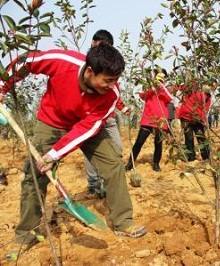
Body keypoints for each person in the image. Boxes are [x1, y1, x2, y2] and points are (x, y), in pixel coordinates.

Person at [0, 43, 147, 255]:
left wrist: (54, 154)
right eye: (107, 80)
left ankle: (123, 222)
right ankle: (26, 234)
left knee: (114, 165)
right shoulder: (63, 61)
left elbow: (87, 129)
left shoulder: (111, 94)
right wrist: (3, 86)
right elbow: (28, 61)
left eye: (116, 80)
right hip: (51, 122)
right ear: (90, 71)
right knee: (35, 173)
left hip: (86, 126)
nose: (113, 85)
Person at [85, 29, 131, 197]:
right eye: (101, 45)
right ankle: (94, 182)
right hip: (90, 119)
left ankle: (108, 178)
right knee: (92, 150)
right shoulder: (87, 67)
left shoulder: (109, 69)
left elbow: (112, 90)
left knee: (116, 147)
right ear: (93, 43)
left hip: (108, 117)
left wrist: (123, 108)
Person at [125, 68, 172, 172]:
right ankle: (130, 163)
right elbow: (143, 96)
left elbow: (170, 99)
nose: (160, 79)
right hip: (148, 119)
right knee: (139, 142)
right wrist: (152, 88)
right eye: (159, 76)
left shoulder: (166, 89)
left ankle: (156, 164)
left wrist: (162, 88)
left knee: (158, 144)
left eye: (163, 77)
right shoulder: (148, 86)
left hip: (160, 121)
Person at [175, 79, 211, 162]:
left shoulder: (208, 95)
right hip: (186, 117)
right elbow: (179, 87)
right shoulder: (192, 86)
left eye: (210, 86)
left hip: (198, 119)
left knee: (201, 138)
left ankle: (206, 158)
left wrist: (203, 120)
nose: (208, 87)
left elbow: (206, 108)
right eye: (207, 85)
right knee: (189, 138)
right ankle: (191, 158)